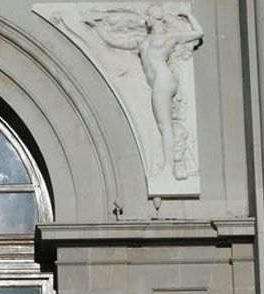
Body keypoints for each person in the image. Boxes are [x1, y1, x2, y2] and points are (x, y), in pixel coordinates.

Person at [87, 6, 203, 180]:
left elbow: (198, 33)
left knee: (164, 126)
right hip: (158, 82)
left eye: (147, 16)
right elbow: (114, 40)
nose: (145, 20)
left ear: (152, 18)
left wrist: (188, 16)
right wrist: (95, 28)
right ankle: (169, 165)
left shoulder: (169, 37)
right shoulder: (142, 40)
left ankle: (169, 168)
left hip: (163, 80)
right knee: (162, 125)